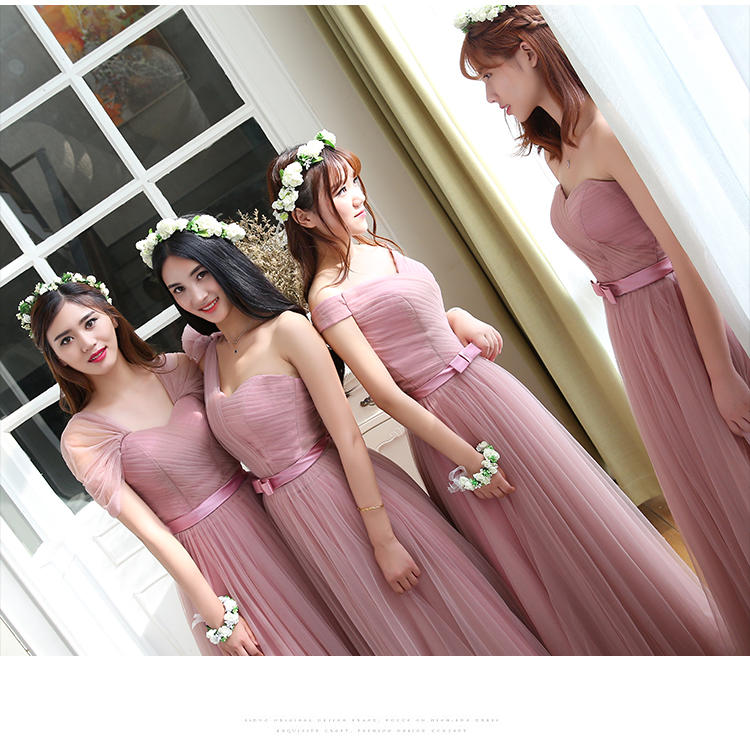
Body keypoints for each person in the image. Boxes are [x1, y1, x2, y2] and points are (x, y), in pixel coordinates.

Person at [272, 129, 728, 655]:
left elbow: (414, 319)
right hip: (452, 430)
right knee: (538, 555)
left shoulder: (376, 246)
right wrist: (468, 459)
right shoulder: (327, 297)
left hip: (493, 395)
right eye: (338, 192)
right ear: (304, 217)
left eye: (354, 182)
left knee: (580, 518)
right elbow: (389, 394)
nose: (356, 196)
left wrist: (457, 317)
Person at [456, 4, 750, 653]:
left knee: (737, 480)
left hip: (679, 322)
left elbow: (688, 258)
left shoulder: (609, 133)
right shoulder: (556, 151)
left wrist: (723, 374)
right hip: (634, 337)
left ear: (528, 53)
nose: (492, 96)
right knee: (702, 489)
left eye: (491, 75)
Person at [146, 213, 548, 656]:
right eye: (178, 289)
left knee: (442, 627)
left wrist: (383, 539)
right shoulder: (205, 350)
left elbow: (349, 437)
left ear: (225, 263)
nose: (196, 296)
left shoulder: (289, 330)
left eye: (201, 275)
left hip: (348, 499)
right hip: (295, 524)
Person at [19, 271, 355, 655]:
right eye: (65, 340)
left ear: (110, 316)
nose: (86, 343)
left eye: (89, 322)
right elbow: (152, 533)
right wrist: (217, 614)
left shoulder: (180, 367)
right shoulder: (83, 438)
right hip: (216, 560)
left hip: (278, 517)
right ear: (55, 357)